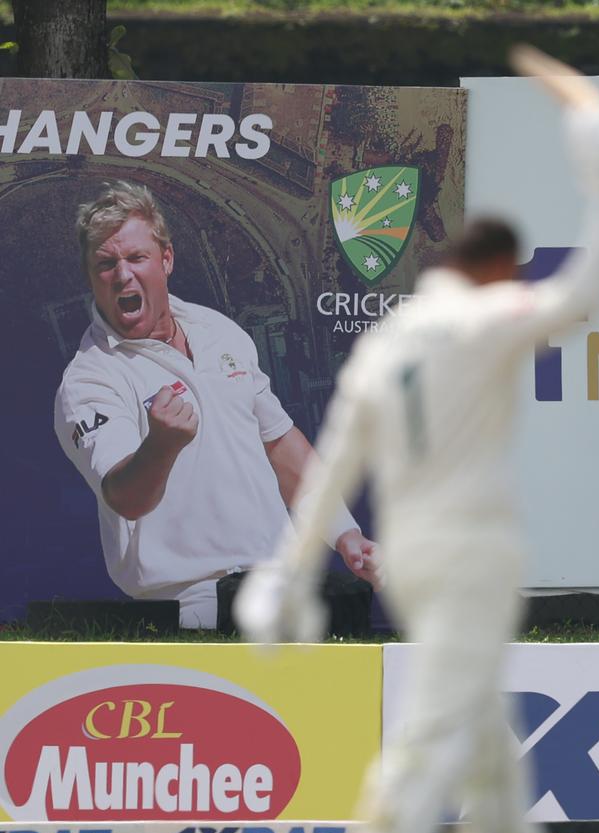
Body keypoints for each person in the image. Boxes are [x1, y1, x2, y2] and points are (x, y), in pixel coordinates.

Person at [235, 102, 599, 833]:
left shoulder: (387, 344)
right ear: (494, 272)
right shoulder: (486, 319)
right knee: (433, 732)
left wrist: (292, 570)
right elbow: (588, 293)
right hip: (470, 555)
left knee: (483, 738)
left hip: (408, 556)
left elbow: (333, 465)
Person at [54, 181, 378, 629]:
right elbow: (124, 497)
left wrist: (344, 532)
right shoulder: (89, 379)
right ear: (91, 277)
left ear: (166, 259)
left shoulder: (218, 330)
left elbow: (279, 443)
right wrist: (161, 445)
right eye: (105, 264)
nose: (122, 275)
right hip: (189, 607)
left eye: (136, 258)